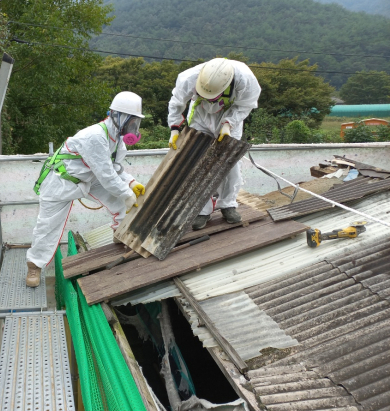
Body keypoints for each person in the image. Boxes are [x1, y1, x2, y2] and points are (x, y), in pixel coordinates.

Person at [25, 92, 147, 287]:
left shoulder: (118, 139)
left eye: (136, 122)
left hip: (90, 178)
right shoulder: (95, 137)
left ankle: (121, 236)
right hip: (61, 180)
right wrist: (127, 193)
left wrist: (131, 182)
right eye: (131, 121)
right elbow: (107, 176)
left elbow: (114, 168)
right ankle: (34, 265)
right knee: (47, 226)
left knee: (121, 204)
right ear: (117, 116)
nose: (134, 127)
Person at [167, 58, 261, 230]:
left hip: (229, 117)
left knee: (230, 163)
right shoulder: (189, 77)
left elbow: (245, 106)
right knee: (199, 163)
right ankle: (202, 210)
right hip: (200, 116)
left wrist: (228, 124)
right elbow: (177, 102)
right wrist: (174, 128)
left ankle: (228, 204)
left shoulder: (245, 79)